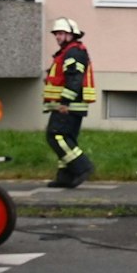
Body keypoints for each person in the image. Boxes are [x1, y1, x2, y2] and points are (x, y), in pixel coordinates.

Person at [43, 17, 97, 188]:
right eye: (56, 34)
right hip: (68, 104)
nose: (57, 37)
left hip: (68, 105)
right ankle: (65, 177)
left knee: (56, 136)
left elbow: (74, 78)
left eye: (61, 33)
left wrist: (65, 102)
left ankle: (82, 166)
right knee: (66, 139)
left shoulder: (73, 52)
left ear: (71, 35)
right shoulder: (69, 51)